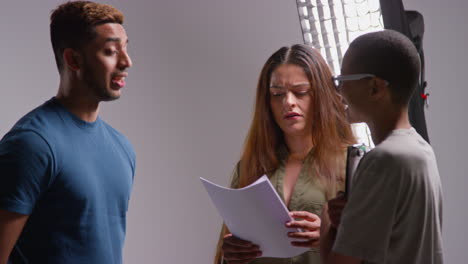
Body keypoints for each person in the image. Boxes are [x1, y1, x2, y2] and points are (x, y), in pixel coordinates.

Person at [0, 1, 135, 263]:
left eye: (126, 48)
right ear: (73, 59)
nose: (126, 62)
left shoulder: (122, 147)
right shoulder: (32, 144)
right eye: (110, 51)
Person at [214, 44, 356, 264]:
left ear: (322, 95)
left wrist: (329, 237)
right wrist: (232, 253)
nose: (288, 102)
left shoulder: (352, 165)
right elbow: (227, 250)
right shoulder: (251, 167)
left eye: (300, 92)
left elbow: (378, 247)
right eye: (277, 94)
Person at [320, 30, 444, 264]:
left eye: (342, 81)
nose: (338, 92)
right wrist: (351, 220)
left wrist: (326, 226)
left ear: (375, 88)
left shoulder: (383, 160)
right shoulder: (422, 151)